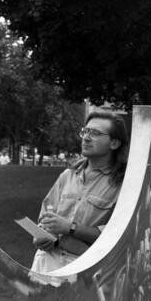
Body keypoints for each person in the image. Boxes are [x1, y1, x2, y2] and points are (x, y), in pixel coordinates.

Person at [30, 111, 129, 284]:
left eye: (96, 133)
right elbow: (45, 217)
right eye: (86, 131)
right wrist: (40, 236)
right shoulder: (67, 176)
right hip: (45, 263)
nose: (87, 138)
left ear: (114, 143)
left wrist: (70, 227)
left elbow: (115, 236)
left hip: (83, 271)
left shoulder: (123, 184)